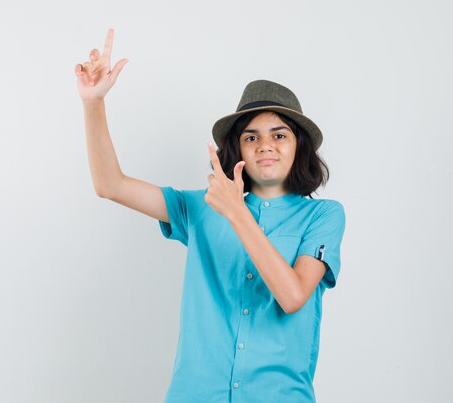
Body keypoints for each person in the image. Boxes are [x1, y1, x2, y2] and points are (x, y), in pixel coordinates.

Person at [75, 29, 346, 403]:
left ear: (299, 146)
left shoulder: (323, 216)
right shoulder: (201, 207)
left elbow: (293, 295)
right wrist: (93, 103)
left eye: (279, 135)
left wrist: (236, 212)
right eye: (251, 137)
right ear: (238, 149)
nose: (265, 144)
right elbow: (110, 184)